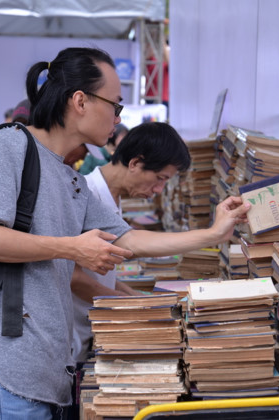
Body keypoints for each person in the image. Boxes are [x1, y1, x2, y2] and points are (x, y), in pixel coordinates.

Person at [0, 47, 250, 419]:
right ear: (80, 101)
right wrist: (71, 248)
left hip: (46, 374)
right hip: (9, 375)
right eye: (115, 105)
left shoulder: (71, 180)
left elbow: (130, 240)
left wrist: (214, 233)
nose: (118, 119)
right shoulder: (10, 147)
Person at [71, 121, 188, 364]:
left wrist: (135, 297)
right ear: (135, 163)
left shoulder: (112, 198)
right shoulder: (86, 193)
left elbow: (98, 276)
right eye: (159, 178)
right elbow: (73, 277)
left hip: (89, 331)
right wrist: (132, 304)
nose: (159, 189)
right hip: (72, 335)